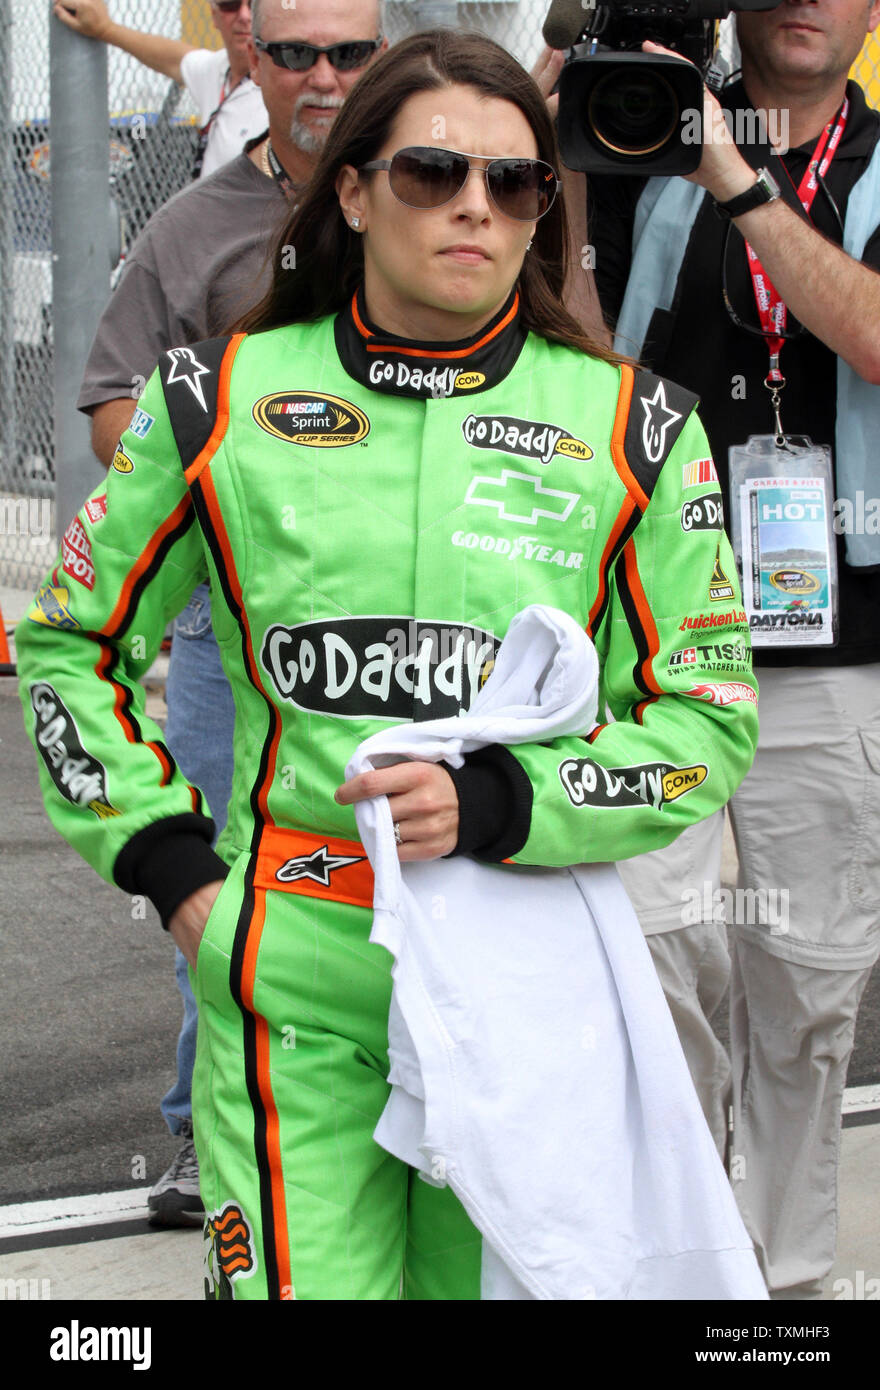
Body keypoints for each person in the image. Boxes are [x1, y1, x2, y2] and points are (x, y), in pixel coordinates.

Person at [18, 28, 758, 1299]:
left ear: (541, 211)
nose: (474, 205)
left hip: (522, 971)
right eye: (429, 173)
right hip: (292, 962)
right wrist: (172, 869)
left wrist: (504, 802)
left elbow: (707, 716)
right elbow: (67, 646)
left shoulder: (636, 427)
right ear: (352, 193)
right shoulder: (214, 399)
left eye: (513, 183)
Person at [585, 0, 880, 1297]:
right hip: (662, 640)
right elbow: (588, 357)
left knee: (808, 979)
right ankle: (691, 1249)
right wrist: (570, 67)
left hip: (843, 639)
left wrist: (736, 177)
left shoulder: (841, 164)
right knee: (655, 959)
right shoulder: (630, 139)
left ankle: (793, 1276)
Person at [75, 0, 387, 1225]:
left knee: (423, 878)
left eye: (351, 52)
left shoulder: (441, 193)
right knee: (238, 892)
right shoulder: (196, 226)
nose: (323, 77)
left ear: (385, 53)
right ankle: (222, 1139)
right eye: (295, 51)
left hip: (434, 623)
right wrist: (234, 459)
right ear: (247, 56)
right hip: (236, 633)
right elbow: (110, 405)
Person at [52, 0, 267, 179]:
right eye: (230, 4)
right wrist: (104, 29)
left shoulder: (277, 87)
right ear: (214, 16)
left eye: (253, 4)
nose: (244, 15)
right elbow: (171, 57)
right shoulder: (219, 70)